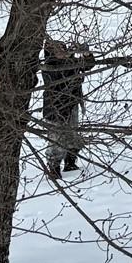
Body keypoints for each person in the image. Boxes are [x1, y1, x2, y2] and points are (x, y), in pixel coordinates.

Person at [40, 37, 95, 179]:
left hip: (72, 105)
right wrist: (70, 57)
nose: (62, 52)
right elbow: (59, 78)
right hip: (55, 108)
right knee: (56, 140)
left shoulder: (70, 62)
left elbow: (88, 65)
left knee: (73, 136)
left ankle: (70, 162)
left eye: (63, 49)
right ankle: (54, 168)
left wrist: (85, 54)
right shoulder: (49, 66)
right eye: (58, 50)